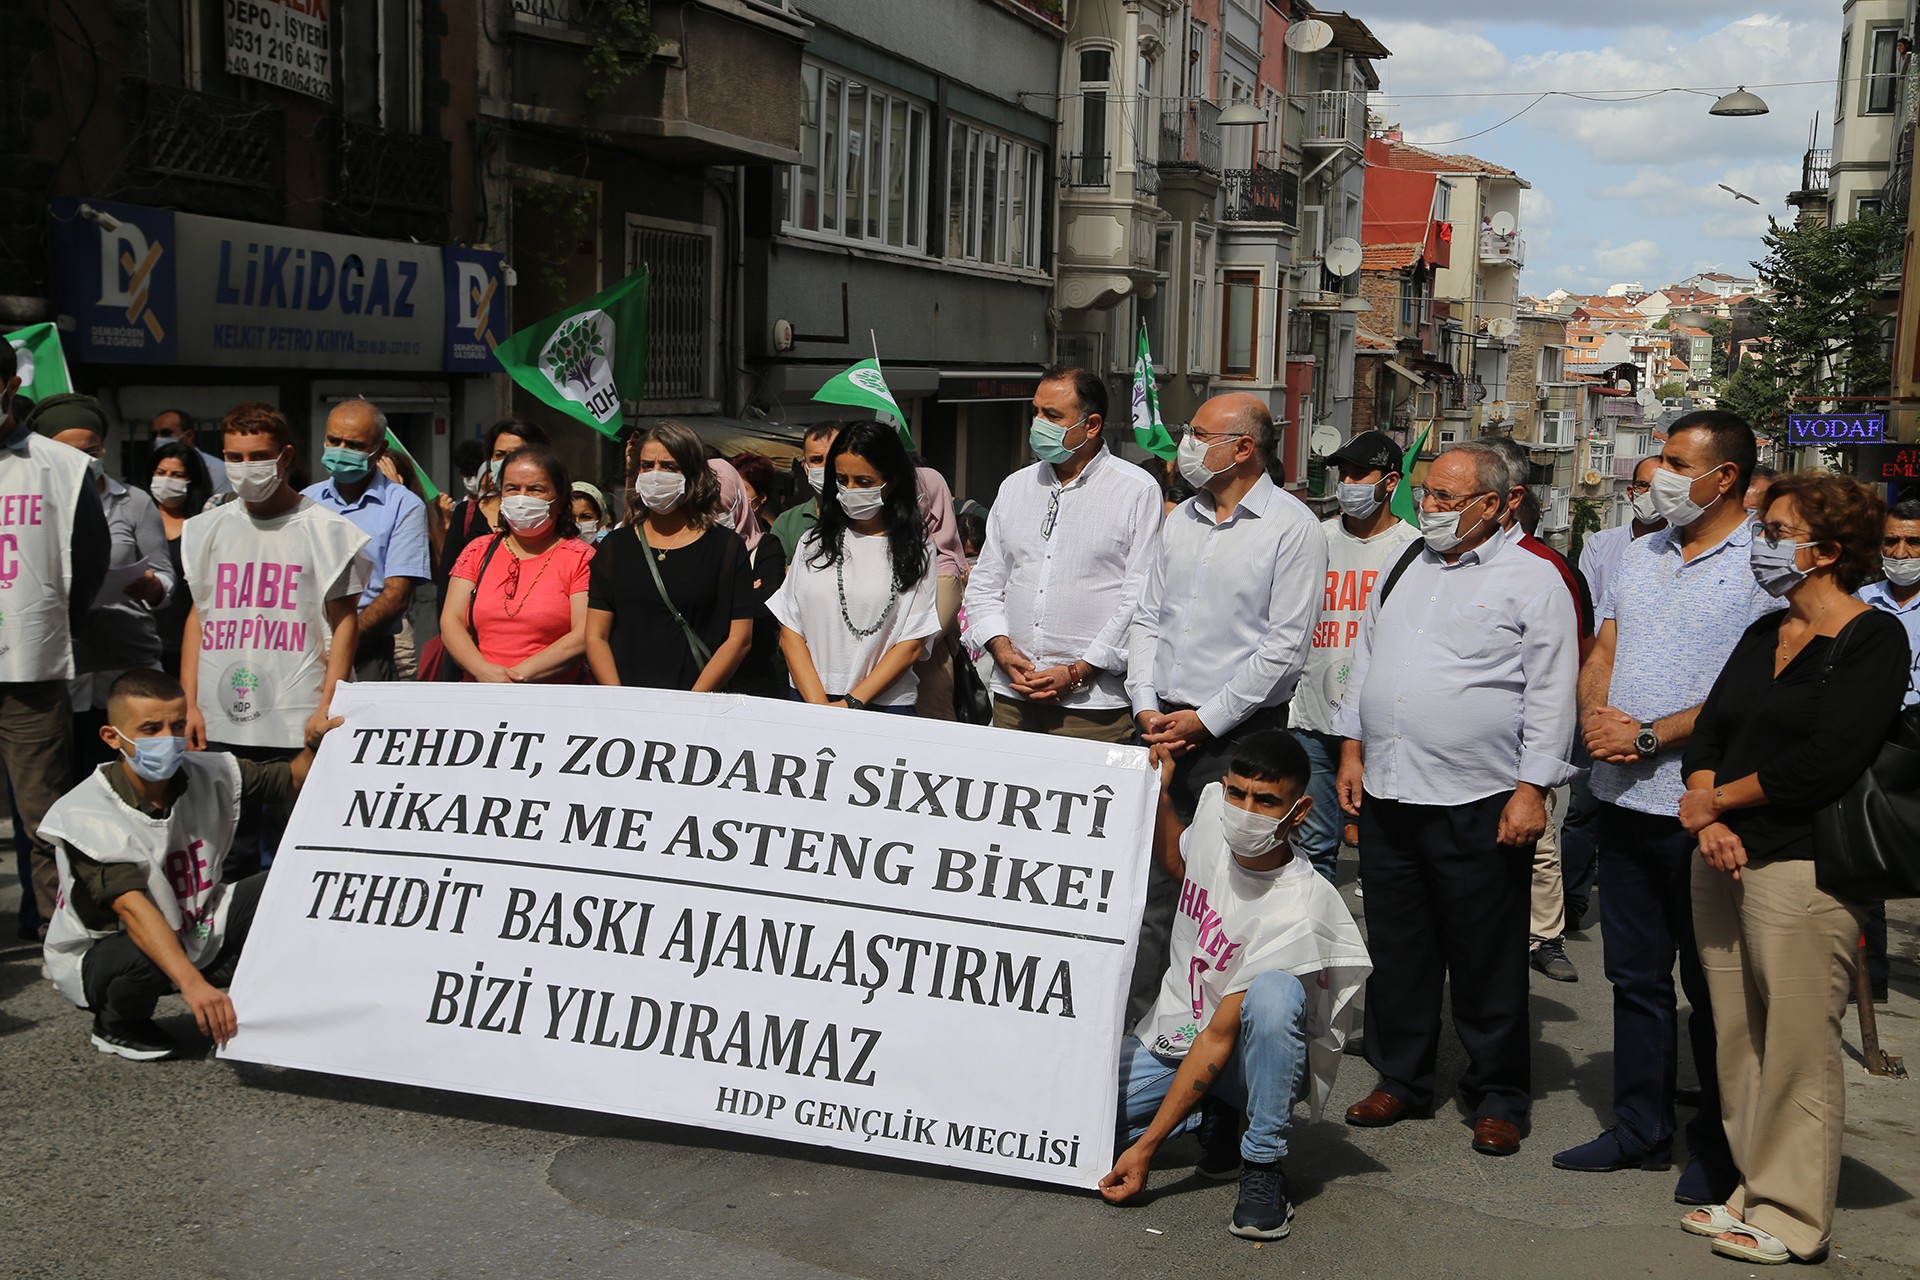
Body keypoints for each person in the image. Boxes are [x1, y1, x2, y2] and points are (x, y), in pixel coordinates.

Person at [1679, 471, 1908, 1265]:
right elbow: (1709, 732)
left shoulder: (1873, 637)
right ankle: (1754, 1189)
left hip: (1802, 868)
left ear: (1828, 552)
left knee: (1800, 1045)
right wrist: (1704, 801)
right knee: (1739, 1037)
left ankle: (1795, 1215)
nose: (1762, 545)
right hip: (1723, 856)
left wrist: (1718, 806)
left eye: (1776, 530)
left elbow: (1828, 758)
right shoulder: (1763, 632)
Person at [1333, 441, 1577, 1158]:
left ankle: (1497, 1093)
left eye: (1445, 497)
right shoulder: (1406, 564)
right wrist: (1352, 749)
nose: (1428, 508)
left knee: (1484, 955)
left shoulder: (1533, 580)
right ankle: (1401, 1078)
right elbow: (1366, 663)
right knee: (1401, 947)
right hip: (1392, 790)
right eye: (1425, 494)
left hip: (1481, 795)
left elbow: (1552, 692)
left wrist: (1532, 790)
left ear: (1497, 504)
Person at [1555, 413, 1771, 1201]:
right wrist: (1595, 719)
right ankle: (1638, 1128)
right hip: (1620, 799)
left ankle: (1719, 1143)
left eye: (1679, 464)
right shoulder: (1640, 553)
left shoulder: (1761, 564)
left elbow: (1747, 694)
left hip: (1701, 808)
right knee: (1634, 977)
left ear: (1726, 478)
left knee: (1715, 987)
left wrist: (1646, 736)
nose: (1663, 477)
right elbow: (1603, 648)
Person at [1099, 732, 1370, 1241]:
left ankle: (1262, 1163)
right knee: (1068, 1124)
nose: (1246, 810)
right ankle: (1209, 1118)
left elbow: (1219, 1038)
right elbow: (1181, 865)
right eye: (1237, 792)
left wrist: (1148, 1149)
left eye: (1266, 800)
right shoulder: (1209, 812)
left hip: (1246, 1058)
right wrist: (1160, 795)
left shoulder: (1304, 907)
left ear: (1300, 808)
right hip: (1172, 1035)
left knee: (1274, 994)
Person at [1125, 392, 1325, 1023]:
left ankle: (1209, 1044)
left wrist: (1205, 719)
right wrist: (1144, 704)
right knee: (1149, 888)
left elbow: (1283, 651)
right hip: (1159, 726)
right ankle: (1136, 1030)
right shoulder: (1179, 519)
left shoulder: (1292, 528)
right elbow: (1147, 617)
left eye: (1199, 433)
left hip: (1235, 737)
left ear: (1243, 448)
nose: (1186, 443)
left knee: (1218, 895)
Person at [38, 668, 339, 1060]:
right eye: (150, 729)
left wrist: (317, 742)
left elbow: (292, 778)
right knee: (141, 953)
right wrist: (193, 986)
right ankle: (117, 1024)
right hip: (109, 953)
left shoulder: (207, 771)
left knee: (286, 881)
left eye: (177, 725)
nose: (168, 740)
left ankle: (267, 1002)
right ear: (113, 737)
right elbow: (132, 908)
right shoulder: (85, 811)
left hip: (193, 925)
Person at [180, 401, 366, 876]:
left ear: (285, 456)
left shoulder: (327, 532)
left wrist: (328, 704)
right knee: (227, 850)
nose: (245, 469)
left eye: (257, 456)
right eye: (234, 458)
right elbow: (198, 615)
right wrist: (189, 703)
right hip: (221, 721)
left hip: (294, 721)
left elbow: (345, 622)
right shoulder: (206, 530)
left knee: (292, 850)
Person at [963, 365, 1161, 742]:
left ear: (1092, 425)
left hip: (1092, 708)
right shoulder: (1016, 486)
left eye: (1052, 415)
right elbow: (986, 583)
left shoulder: (1136, 491)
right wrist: (1002, 651)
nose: (1038, 423)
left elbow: (1139, 598)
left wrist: (1079, 671)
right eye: (1035, 412)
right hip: (1013, 697)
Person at [0, 346, 112, 936]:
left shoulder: (59, 467)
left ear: (9, 384)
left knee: (42, 815)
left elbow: (89, 564)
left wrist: (46, 622)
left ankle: (56, 934)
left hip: (31, 670)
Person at [1483, 435, 1591, 985]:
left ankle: (1544, 937)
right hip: (1457, 758)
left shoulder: (1548, 568)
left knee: (1537, 842)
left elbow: (1568, 663)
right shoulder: (1427, 561)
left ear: (1508, 495)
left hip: (1524, 745)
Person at [1290, 429, 1419, 884]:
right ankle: (1317, 945)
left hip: (1380, 727)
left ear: (1390, 482)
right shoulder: (1313, 538)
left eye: (1359, 473)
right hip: (1312, 719)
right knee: (1313, 846)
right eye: (1343, 473)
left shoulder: (1414, 550)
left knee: (1384, 848)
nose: (1347, 483)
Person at [37, 396, 174, 769]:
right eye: (69, 450)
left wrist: (153, 587)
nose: (83, 458)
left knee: (135, 775)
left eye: (91, 449)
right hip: (61, 671)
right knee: (62, 778)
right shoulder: (34, 506)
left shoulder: (134, 502)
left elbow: (165, 574)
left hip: (129, 661)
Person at [767, 420, 939, 712]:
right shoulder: (812, 543)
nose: (850, 490)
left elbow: (911, 644)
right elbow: (790, 630)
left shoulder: (918, 550)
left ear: (892, 481)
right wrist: (819, 705)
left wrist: (849, 704)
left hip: (884, 706)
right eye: (842, 479)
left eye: (863, 482)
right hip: (808, 700)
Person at [585, 421, 754, 692]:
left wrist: (689, 703)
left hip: (696, 707)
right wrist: (616, 697)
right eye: (646, 466)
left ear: (693, 473)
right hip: (624, 704)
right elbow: (596, 635)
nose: (655, 475)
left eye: (669, 466)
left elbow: (739, 639)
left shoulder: (725, 548)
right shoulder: (616, 546)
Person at [303, 398, 432, 684]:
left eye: (354, 445)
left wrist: (340, 645)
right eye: (334, 441)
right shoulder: (306, 501)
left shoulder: (403, 506)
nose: (341, 451)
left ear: (380, 450)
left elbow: (396, 596)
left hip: (368, 652)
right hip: (304, 653)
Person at [441, 444, 593, 683]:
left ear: (560, 497)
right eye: (512, 488)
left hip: (551, 703)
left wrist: (515, 677)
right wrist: (483, 671)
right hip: (480, 698)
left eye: (535, 490)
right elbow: (451, 621)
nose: (522, 498)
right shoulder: (477, 550)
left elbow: (585, 633)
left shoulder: (581, 558)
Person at [1851, 497, 1920, 1004]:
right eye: (1892, 541)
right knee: (1867, 859)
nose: (1901, 551)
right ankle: (1871, 976)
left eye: (1913, 542)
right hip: (1873, 744)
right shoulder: (1861, 601)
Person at [436, 418, 549, 592]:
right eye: (499, 454)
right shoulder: (467, 514)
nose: (506, 461)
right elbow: (447, 585)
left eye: (515, 453)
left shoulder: (551, 512)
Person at [724, 452, 791, 700]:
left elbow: (766, 607)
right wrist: (742, 591)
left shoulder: (768, 546)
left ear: (760, 498)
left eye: (743, 491)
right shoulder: (703, 545)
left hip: (752, 681)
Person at [145, 442, 215, 675]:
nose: (167, 481)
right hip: (141, 643)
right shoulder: (138, 519)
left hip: (188, 645)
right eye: (161, 473)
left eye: (177, 475)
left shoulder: (203, 525)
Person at [1578, 455, 1666, 632]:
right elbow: (1587, 610)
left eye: (1658, 488)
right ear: (1630, 492)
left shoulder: (1684, 548)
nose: (1650, 494)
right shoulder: (1600, 545)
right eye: (1643, 486)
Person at [150, 408, 232, 496]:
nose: (158, 439)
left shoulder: (216, 468)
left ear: (189, 435)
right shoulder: (154, 466)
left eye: (166, 433)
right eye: (154, 435)